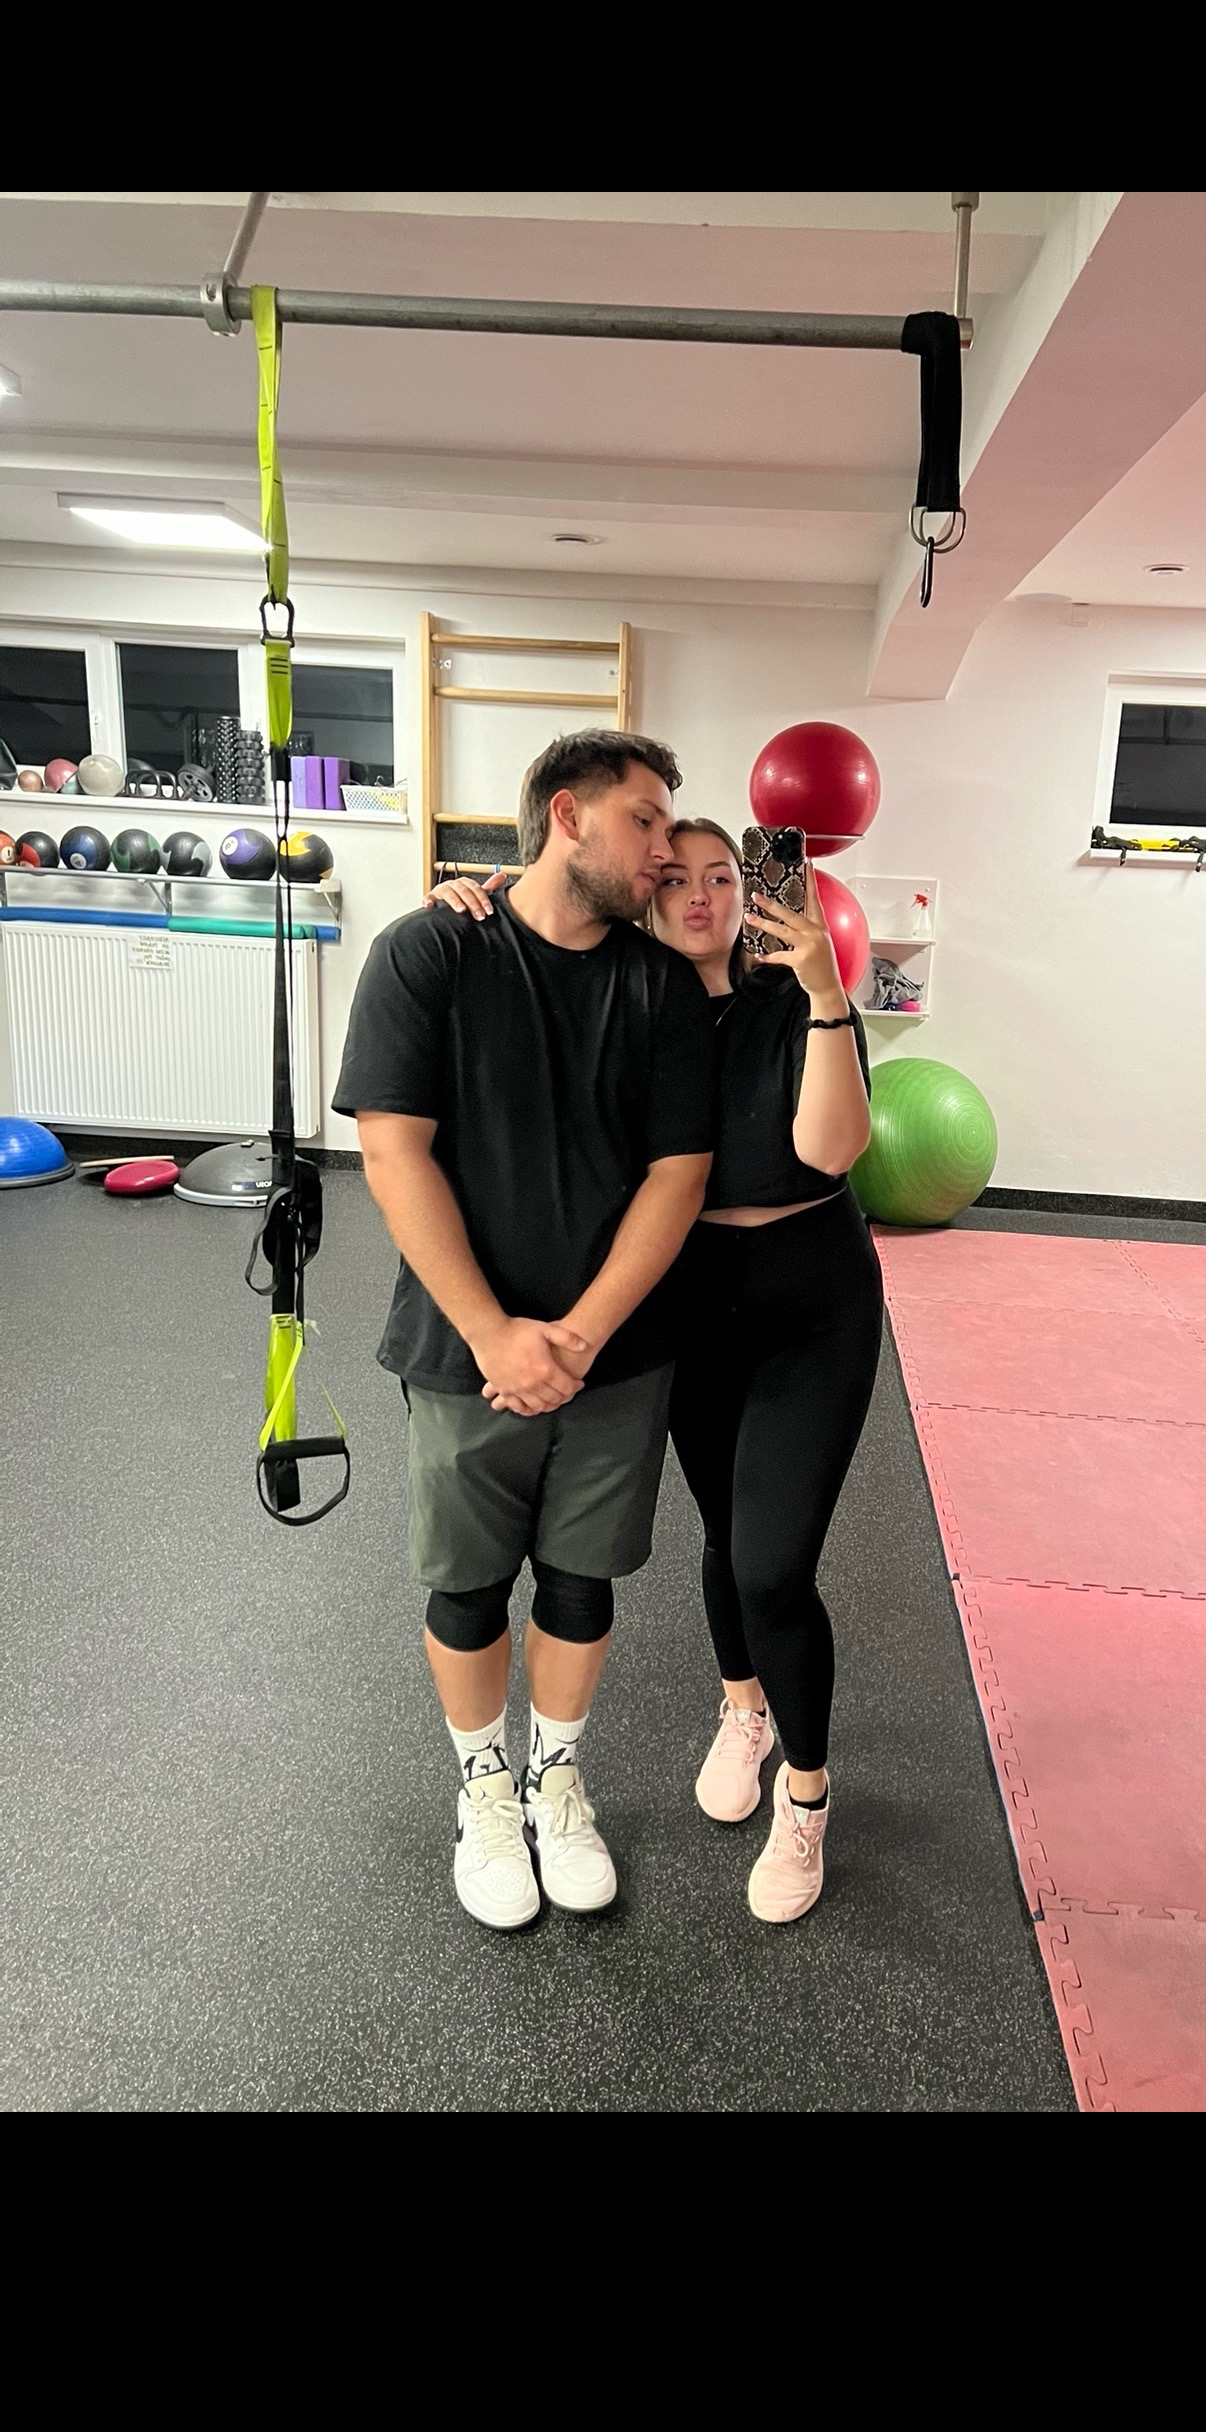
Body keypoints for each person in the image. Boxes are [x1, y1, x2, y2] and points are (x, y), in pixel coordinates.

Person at [433, 815, 880, 1924]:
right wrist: (470, 905)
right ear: (643, 893)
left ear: (751, 890)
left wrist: (825, 986)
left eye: (723, 877)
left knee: (774, 1565)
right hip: (692, 1305)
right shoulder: (630, 1000)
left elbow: (829, 1149)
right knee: (727, 1536)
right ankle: (744, 1708)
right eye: (674, 878)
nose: (701, 896)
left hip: (812, 1305)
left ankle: (808, 1795)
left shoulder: (796, 998)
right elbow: (537, 955)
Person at [335, 733, 715, 1932]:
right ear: (568, 815)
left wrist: (581, 1337)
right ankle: (483, 1789)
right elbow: (391, 1150)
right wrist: (495, 1332)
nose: (664, 851)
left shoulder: (661, 987)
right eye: (646, 821)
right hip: (465, 1349)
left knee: (580, 1576)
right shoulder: (431, 950)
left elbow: (679, 1175)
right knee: (468, 1581)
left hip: (615, 1353)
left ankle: (556, 1778)